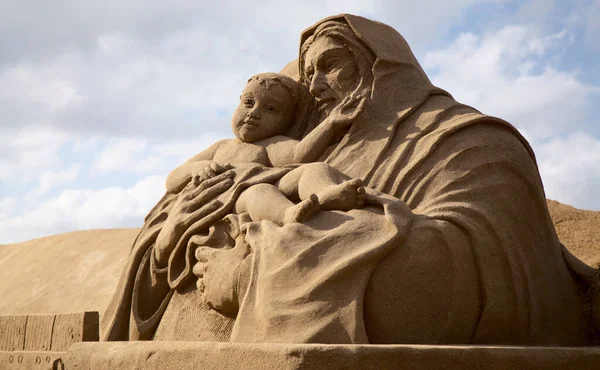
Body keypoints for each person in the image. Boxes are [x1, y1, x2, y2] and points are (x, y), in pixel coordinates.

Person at [102, 14, 598, 346]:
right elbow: (174, 227)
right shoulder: (289, 150)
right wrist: (169, 241)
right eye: (309, 73)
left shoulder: (467, 143)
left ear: (382, 70)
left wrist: (252, 274)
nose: (314, 86)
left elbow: (466, 275)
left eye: (331, 65)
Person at [166, 72, 366, 226]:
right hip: (232, 197)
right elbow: (172, 180)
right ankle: (288, 214)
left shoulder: (273, 144)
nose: (254, 113)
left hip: (274, 181)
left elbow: (300, 155)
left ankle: (327, 194)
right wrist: (196, 168)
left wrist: (330, 124)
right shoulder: (221, 147)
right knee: (260, 192)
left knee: (316, 169)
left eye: (270, 109)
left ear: (286, 121)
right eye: (249, 102)